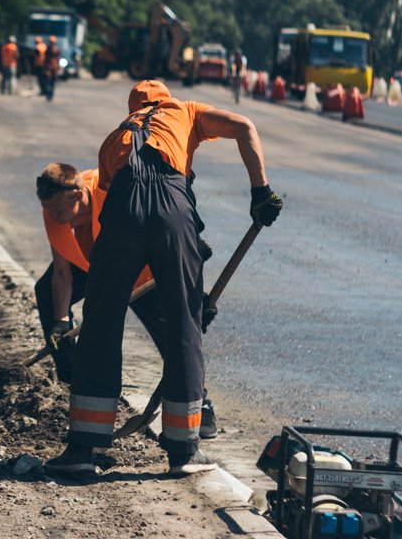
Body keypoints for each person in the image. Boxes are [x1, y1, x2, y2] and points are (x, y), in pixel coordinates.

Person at [46, 79, 283, 477]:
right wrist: (260, 192)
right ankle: (184, 453)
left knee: (101, 324)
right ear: (165, 101)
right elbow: (245, 126)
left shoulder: (113, 139)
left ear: (132, 109)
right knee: (184, 327)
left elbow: (121, 202)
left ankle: (82, 451)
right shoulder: (186, 110)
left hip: (121, 213)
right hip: (174, 211)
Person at [34, 164, 218, 422]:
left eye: (59, 210)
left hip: (143, 266)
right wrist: (61, 322)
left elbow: (165, 211)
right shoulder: (53, 207)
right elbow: (62, 273)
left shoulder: (113, 187)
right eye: (49, 210)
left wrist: (191, 290)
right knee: (46, 292)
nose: (54, 217)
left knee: (176, 335)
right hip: (96, 260)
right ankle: (70, 371)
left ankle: (199, 405)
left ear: (77, 195)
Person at [42, 36, 61, 102]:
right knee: (51, 82)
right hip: (52, 66)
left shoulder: (48, 48)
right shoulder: (56, 48)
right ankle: (50, 94)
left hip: (50, 66)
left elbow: (46, 58)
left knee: (49, 81)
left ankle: (49, 94)